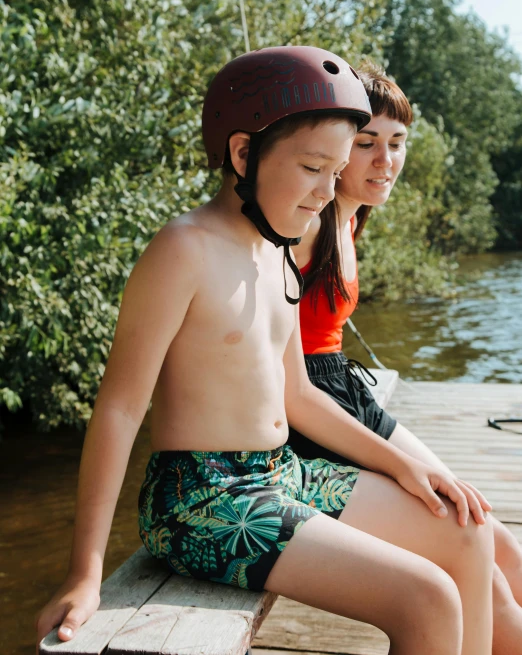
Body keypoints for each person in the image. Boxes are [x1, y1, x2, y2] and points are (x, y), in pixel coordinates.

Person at [36, 47, 494, 655]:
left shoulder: (277, 252)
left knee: (467, 530)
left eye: (336, 173)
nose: (328, 193)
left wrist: (403, 464)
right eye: (312, 169)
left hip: (283, 473)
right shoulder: (184, 250)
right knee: (427, 596)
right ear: (243, 153)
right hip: (204, 496)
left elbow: (297, 394)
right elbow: (119, 411)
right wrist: (84, 572)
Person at [291, 62, 522, 653]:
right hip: (315, 415)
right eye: (365, 144)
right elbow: (285, 371)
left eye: (396, 144)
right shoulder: (309, 221)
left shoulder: (346, 217)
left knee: (503, 547)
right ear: (337, 148)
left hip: (344, 391)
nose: (384, 160)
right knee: (480, 553)